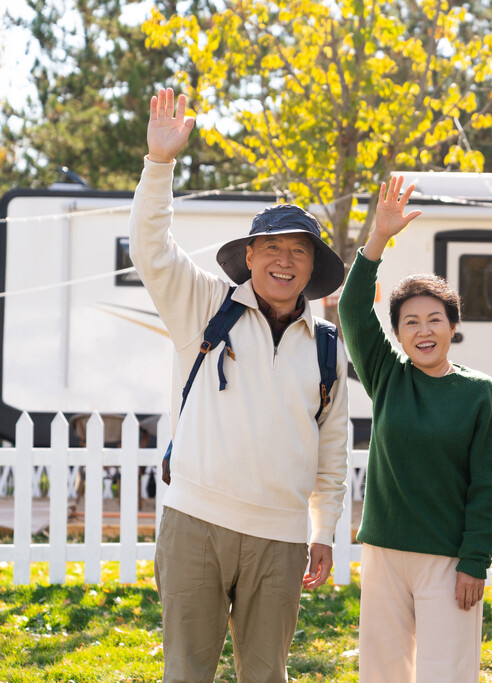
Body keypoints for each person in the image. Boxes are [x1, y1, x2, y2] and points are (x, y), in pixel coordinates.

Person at [129, 88, 349, 683]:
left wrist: (323, 530)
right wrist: (160, 164)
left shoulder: (327, 344)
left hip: (280, 539)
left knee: (267, 676)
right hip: (195, 524)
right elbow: (152, 252)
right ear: (249, 257)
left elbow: (333, 451)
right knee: (187, 673)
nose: (284, 261)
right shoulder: (205, 306)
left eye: (297, 252)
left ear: (311, 268)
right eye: (271, 248)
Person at [338, 175, 492, 682]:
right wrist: (378, 239)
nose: (423, 331)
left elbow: (488, 485)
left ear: (453, 326)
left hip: (448, 558)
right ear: (397, 333)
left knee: (446, 672)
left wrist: (475, 560)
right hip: (385, 552)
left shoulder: (478, 393)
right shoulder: (389, 375)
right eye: (410, 322)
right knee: (383, 672)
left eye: (434, 319)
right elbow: (351, 310)